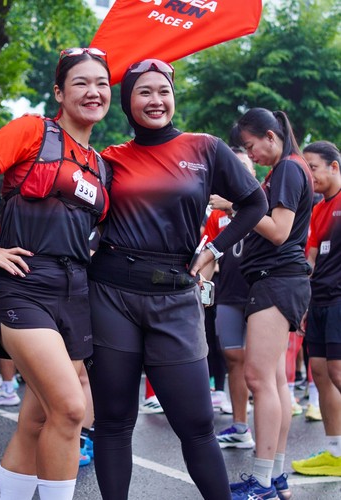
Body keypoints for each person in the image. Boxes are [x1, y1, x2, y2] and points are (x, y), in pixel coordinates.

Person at [86, 59, 267, 500]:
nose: (156, 100)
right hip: (112, 295)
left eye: (163, 91)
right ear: (127, 101)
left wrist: (213, 250)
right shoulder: (108, 159)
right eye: (144, 92)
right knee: (113, 422)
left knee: (197, 424)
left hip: (176, 296)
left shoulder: (206, 148)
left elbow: (255, 204)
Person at [0, 47, 111, 500]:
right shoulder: (33, 131)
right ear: (59, 92)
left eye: (101, 83)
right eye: (81, 82)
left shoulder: (101, 165)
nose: (93, 91)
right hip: (24, 284)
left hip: (75, 292)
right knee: (71, 409)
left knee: (37, 418)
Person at [229, 108, 314, 499]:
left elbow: (279, 231)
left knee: (259, 379)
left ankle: (262, 482)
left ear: (269, 136)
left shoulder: (287, 169)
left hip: (277, 280)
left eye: (251, 147)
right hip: (281, 281)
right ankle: (274, 476)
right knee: (274, 381)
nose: (252, 154)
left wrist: (238, 208)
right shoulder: (290, 167)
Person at [291, 140, 341, 477]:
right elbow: (309, 260)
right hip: (318, 300)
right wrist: (302, 302)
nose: (309, 176)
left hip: (339, 300)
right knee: (321, 374)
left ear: (334, 166)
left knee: (337, 371)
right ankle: (336, 455)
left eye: (313, 168)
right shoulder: (318, 209)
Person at [203, 148, 256, 449]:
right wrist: (201, 287)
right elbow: (209, 255)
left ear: (253, 171)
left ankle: (272, 447)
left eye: (244, 165)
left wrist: (235, 206)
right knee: (233, 359)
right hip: (228, 293)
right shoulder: (216, 214)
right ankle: (240, 427)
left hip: (260, 293)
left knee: (262, 368)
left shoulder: (264, 200)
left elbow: (276, 231)